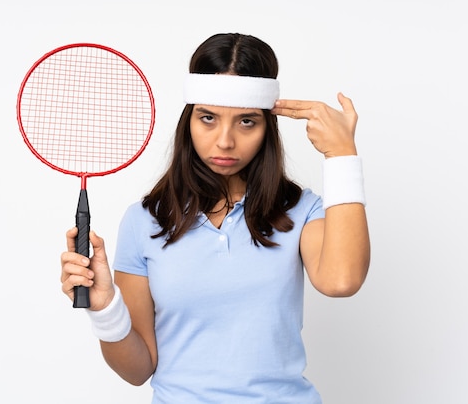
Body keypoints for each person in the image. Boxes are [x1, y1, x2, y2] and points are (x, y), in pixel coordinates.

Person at [60, 32, 370, 403]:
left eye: (246, 122)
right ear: (188, 121)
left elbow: (341, 281)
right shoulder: (145, 221)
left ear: (267, 128)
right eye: (208, 118)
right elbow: (138, 370)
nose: (225, 141)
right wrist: (106, 309)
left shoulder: (301, 210)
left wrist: (342, 156)